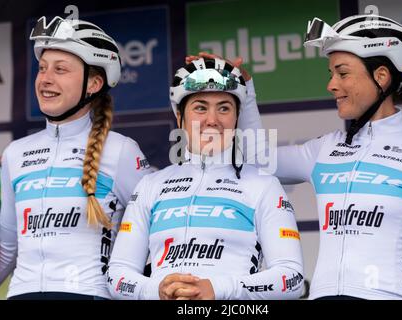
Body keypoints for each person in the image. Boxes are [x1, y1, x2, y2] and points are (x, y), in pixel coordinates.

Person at [238, 14, 402, 300]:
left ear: (382, 77)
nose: (331, 85)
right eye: (331, 74)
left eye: (343, 73)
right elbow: (258, 160)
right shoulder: (324, 150)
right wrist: (245, 91)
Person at [107, 57, 304, 300]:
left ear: (236, 118)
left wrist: (217, 289)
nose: (212, 120)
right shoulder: (151, 185)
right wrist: (156, 290)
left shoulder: (263, 185)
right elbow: (117, 276)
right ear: (180, 117)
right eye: (200, 107)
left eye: (224, 108)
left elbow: (292, 279)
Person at [0, 16, 152, 300]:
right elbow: (6, 247)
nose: (45, 79)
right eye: (42, 68)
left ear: (93, 83)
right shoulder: (15, 154)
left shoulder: (121, 151)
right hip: (22, 294)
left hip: (89, 293)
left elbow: (156, 235)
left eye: (60, 70)